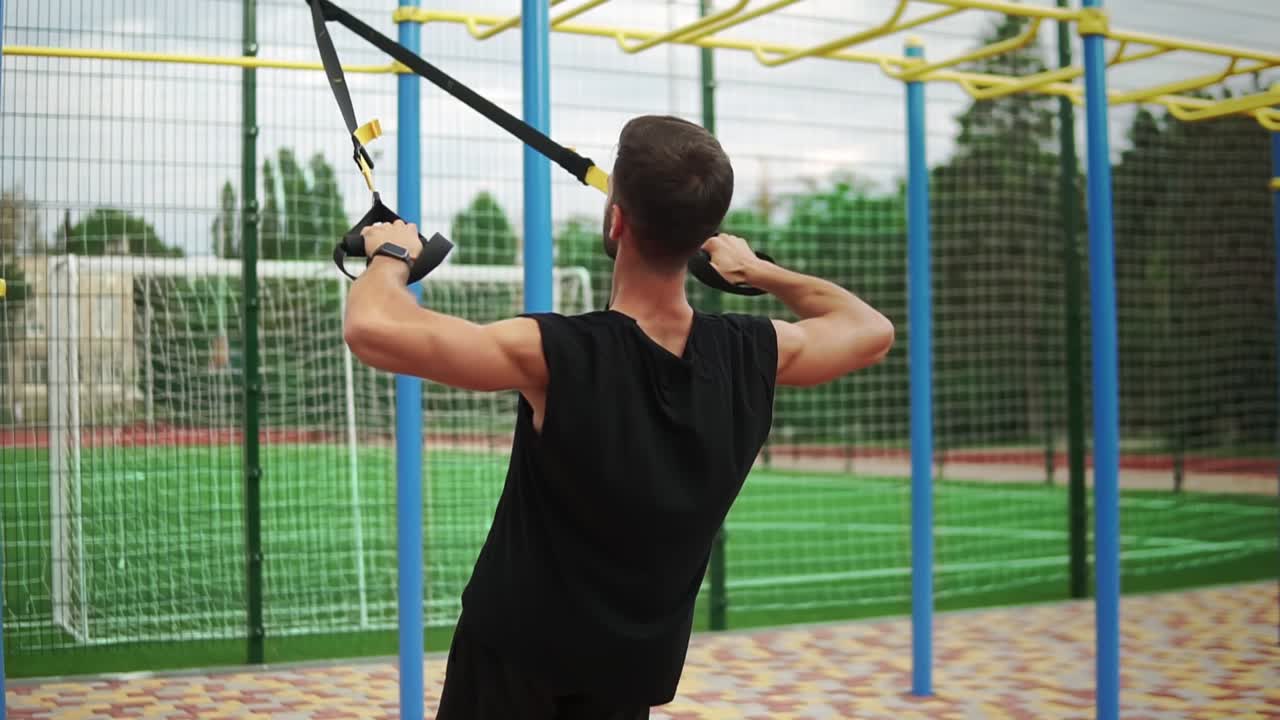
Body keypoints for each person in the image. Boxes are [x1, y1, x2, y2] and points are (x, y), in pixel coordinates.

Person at [343, 114, 895, 720]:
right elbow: (870, 330)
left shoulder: (556, 353)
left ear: (616, 221)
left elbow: (373, 329)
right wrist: (757, 269)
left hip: (514, 667)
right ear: (707, 234)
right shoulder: (755, 351)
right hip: (629, 675)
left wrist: (391, 255)